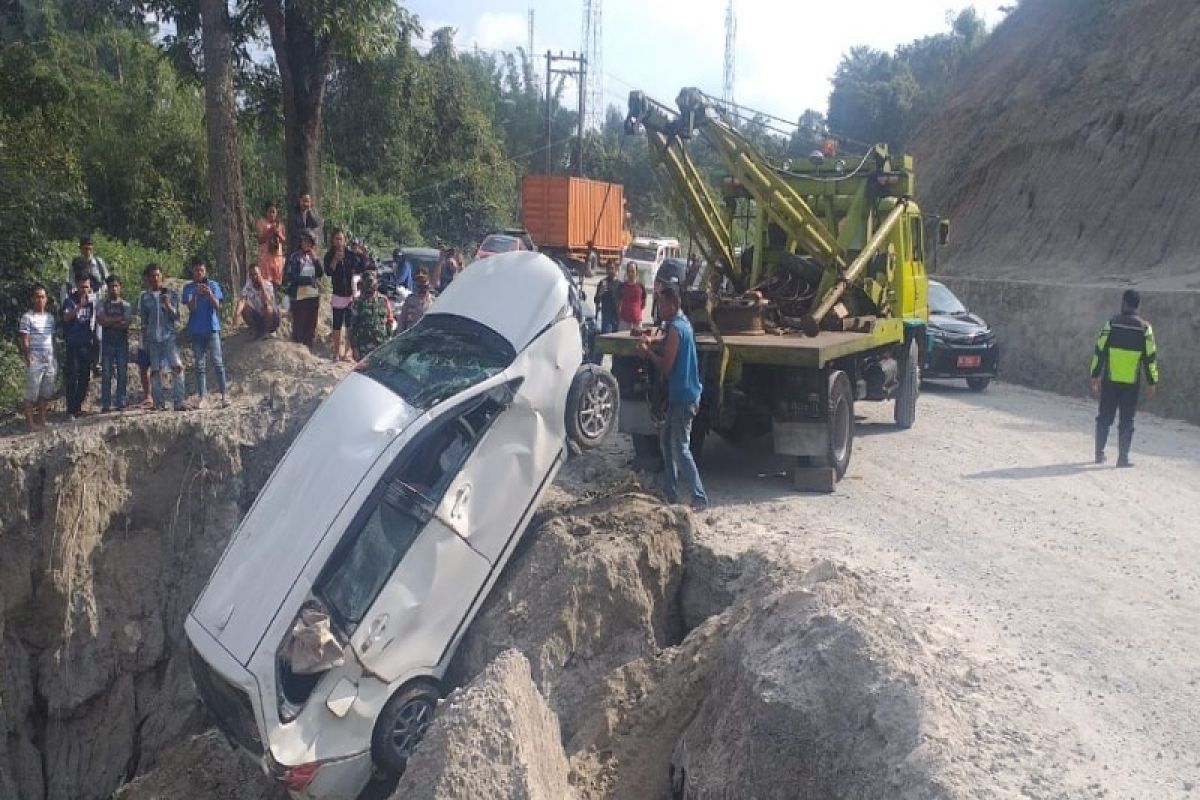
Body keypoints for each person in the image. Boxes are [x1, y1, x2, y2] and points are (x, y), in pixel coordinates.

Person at [637, 285, 708, 509]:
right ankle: (670, 491)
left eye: (663, 304)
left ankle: (699, 495)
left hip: (684, 397)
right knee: (666, 442)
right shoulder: (682, 323)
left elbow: (666, 367)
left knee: (681, 447)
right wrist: (653, 341)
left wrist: (648, 354)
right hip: (684, 394)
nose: (660, 309)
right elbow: (666, 337)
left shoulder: (677, 329)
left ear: (673, 305)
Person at [1090, 288, 1160, 467]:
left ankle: (1099, 454)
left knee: (1104, 417)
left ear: (1124, 303)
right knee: (1127, 421)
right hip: (1131, 383)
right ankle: (1123, 458)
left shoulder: (1111, 324)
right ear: (1137, 306)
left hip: (1110, 380)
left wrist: (1095, 374)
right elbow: (1150, 358)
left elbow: (1100, 350)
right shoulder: (1145, 328)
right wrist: (1152, 382)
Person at [182, 257, 229, 407]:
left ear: (205, 271)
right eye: (196, 270)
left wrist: (209, 294)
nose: (199, 273)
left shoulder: (213, 285)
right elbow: (191, 308)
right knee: (199, 365)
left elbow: (217, 306)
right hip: (196, 330)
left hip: (212, 328)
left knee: (218, 363)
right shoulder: (188, 288)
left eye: (202, 270)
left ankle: (224, 396)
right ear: (193, 271)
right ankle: (203, 397)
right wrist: (195, 294)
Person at [139, 263, 186, 411]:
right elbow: (144, 321)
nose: (155, 279)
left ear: (162, 276)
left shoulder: (171, 294)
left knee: (177, 367)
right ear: (148, 279)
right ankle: (159, 404)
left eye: (157, 275)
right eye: (152, 276)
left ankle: (178, 402)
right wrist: (144, 340)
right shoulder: (144, 297)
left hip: (168, 337)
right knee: (155, 371)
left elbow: (176, 316)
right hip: (153, 339)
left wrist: (167, 304)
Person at [18, 285, 56, 432]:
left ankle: (42, 422)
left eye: (43, 297)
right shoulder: (27, 317)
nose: (40, 300)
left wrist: (54, 356)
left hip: (49, 359)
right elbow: (24, 338)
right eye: (37, 297)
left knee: (45, 393)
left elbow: (51, 339)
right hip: (35, 359)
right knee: (31, 393)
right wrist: (27, 356)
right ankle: (30, 424)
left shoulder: (50, 318)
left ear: (46, 299)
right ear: (33, 299)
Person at [61, 275, 98, 420]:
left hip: (86, 344)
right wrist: (80, 306)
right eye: (82, 287)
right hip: (72, 344)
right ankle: (71, 409)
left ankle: (77, 407)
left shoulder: (92, 302)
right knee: (72, 377)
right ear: (77, 286)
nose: (85, 290)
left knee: (84, 377)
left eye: (87, 287)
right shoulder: (69, 301)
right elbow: (66, 318)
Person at [324, 228, 364, 362]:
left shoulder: (350, 255)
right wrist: (335, 259)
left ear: (345, 240)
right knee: (336, 325)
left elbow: (360, 269)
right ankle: (336, 352)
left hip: (350, 295)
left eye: (341, 239)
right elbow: (328, 272)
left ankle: (347, 352)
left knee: (349, 325)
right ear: (333, 241)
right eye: (336, 239)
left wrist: (362, 255)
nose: (339, 242)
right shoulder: (329, 255)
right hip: (337, 294)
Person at [97, 275, 132, 412]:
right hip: (107, 344)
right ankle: (106, 404)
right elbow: (101, 321)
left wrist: (109, 321)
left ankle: (121, 401)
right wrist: (117, 319)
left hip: (121, 343)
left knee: (122, 373)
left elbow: (126, 324)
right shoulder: (102, 304)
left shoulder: (126, 305)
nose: (114, 289)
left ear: (120, 287)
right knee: (106, 373)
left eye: (116, 286)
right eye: (111, 286)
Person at [284, 231, 323, 349]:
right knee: (299, 325)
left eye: (308, 241)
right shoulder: (295, 257)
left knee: (311, 325)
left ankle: (309, 348)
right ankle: (297, 349)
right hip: (299, 297)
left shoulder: (313, 257)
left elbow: (320, 273)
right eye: (303, 241)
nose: (305, 243)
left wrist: (316, 260)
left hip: (313, 296)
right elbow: (291, 276)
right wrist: (307, 280)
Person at [350, 271, 394, 359]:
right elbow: (353, 327)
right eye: (369, 284)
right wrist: (354, 349)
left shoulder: (384, 300)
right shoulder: (358, 302)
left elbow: (390, 321)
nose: (371, 287)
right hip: (364, 346)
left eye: (373, 284)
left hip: (381, 345)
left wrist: (389, 341)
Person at [234, 265, 280, 338]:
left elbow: (268, 301)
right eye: (251, 275)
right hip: (260, 317)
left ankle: (269, 331)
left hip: (272, 318)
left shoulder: (268, 285)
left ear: (260, 274)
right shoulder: (248, 286)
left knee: (267, 306)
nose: (254, 277)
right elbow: (242, 300)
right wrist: (236, 315)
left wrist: (262, 285)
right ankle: (255, 330)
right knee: (244, 307)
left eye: (256, 274)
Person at [255, 200, 287, 286]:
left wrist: (278, 233)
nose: (272, 214)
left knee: (276, 283)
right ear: (266, 212)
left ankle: (275, 298)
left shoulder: (280, 225)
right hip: (266, 258)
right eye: (270, 212)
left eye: (274, 212)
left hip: (277, 257)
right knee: (267, 283)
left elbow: (284, 241)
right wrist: (269, 231)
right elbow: (260, 240)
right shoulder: (261, 223)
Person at [619, 261, 647, 331]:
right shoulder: (622, 286)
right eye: (629, 271)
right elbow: (618, 303)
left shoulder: (641, 286)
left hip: (637, 322)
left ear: (636, 272)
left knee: (636, 341)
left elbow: (643, 304)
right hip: (624, 321)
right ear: (627, 272)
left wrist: (636, 312)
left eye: (633, 271)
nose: (631, 274)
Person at [595, 261, 622, 334]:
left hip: (617, 317)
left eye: (612, 268)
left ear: (616, 269)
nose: (610, 270)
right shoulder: (602, 282)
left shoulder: (620, 284)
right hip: (606, 317)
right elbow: (596, 300)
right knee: (607, 338)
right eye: (608, 269)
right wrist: (601, 292)